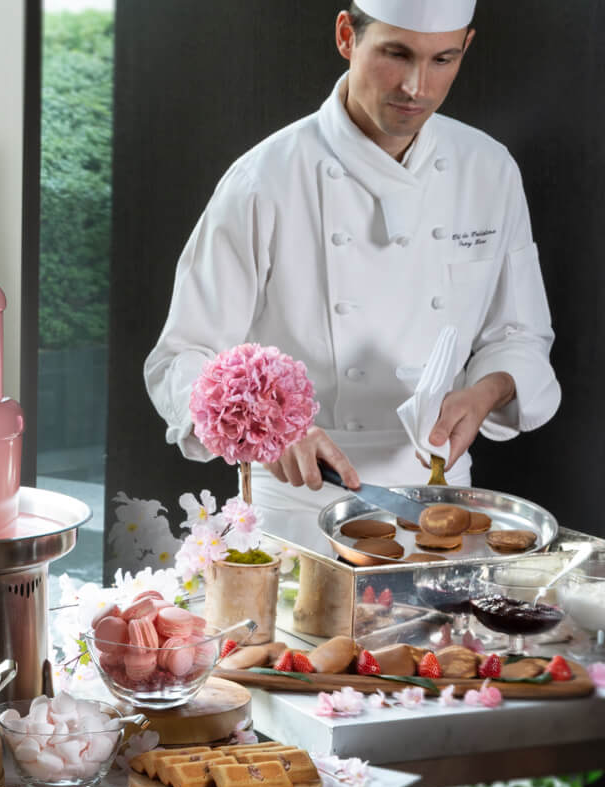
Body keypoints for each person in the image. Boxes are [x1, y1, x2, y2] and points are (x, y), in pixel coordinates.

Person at [144, 0, 560, 511]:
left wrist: (485, 393)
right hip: (299, 501)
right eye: (396, 53)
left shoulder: (489, 170)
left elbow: (519, 334)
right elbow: (180, 359)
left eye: (442, 60)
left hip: (440, 497)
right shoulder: (265, 179)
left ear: (466, 47)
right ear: (347, 36)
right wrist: (271, 428)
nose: (417, 87)